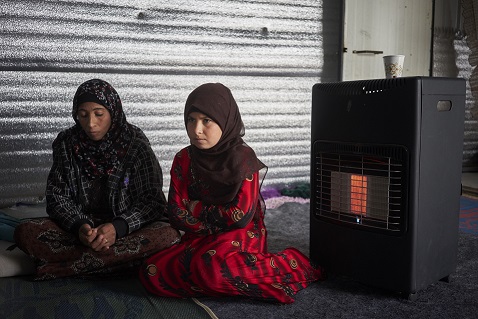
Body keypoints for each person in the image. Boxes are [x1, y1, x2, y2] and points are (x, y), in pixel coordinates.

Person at [139, 83, 323, 303]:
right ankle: (211, 277)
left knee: (212, 271)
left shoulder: (243, 159)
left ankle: (293, 262)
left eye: (206, 120)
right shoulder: (183, 159)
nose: (196, 129)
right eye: (191, 120)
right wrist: (208, 227)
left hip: (241, 235)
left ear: (225, 120)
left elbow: (239, 216)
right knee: (150, 271)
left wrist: (197, 208)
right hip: (199, 236)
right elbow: (176, 213)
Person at [14, 79, 180, 280]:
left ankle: (64, 267)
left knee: (168, 235)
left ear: (113, 111)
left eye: (99, 114)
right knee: (26, 232)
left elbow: (152, 202)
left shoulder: (136, 145)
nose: (91, 123)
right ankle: (120, 262)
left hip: (126, 229)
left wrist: (117, 228)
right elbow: (57, 197)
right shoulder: (66, 144)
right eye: (83, 115)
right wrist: (81, 228)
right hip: (82, 230)